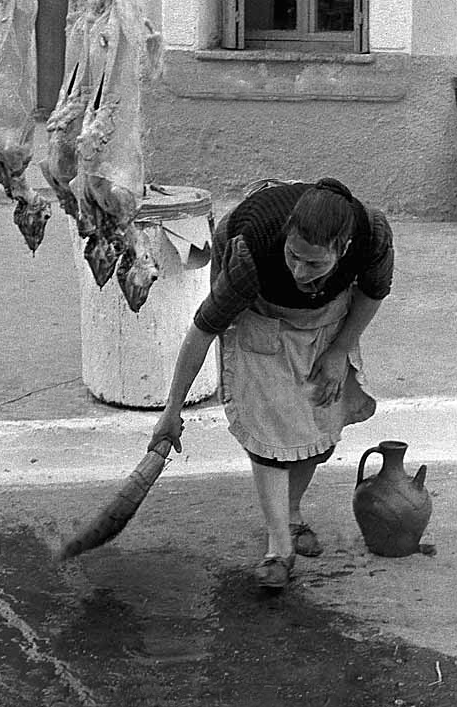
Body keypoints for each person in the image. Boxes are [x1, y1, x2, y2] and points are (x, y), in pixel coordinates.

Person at [148, 177, 394, 591]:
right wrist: (172, 411)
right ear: (286, 237)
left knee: (321, 426)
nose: (299, 269)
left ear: (344, 248)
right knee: (270, 434)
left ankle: (292, 515)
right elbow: (202, 330)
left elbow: (373, 292)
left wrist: (338, 353)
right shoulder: (252, 254)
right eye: (294, 255)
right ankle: (279, 548)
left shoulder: (371, 235)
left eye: (314, 263)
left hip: (326, 318)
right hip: (261, 314)